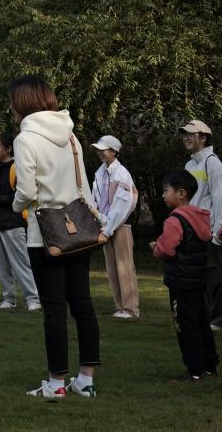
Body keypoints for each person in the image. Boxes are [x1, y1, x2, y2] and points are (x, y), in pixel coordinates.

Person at [9, 74, 104, 401]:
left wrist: (16, 205)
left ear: (20, 103)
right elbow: (84, 186)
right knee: (82, 303)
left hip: (46, 233)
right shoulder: (71, 136)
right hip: (80, 229)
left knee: (54, 309)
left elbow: (26, 190)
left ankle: (56, 382)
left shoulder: (24, 140)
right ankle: (86, 379)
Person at [149, 170, 219, 382]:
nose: (163, 195)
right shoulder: (200, 218)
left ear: (181, 193)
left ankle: (194, 370)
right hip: (197, 281)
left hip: (180, 282)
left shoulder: (174, 221)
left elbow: (167, 249)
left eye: (165, 190)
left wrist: (155, 247)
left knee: (185, 325)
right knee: (201, 323)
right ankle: (209, 365)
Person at [179, 119, 222, 329]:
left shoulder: (212, 162)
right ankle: (206, 316)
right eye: (184, 134)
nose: (186, 137)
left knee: (216, 275)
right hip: (192, 228)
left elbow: (221, 197)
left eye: (191, 134)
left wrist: (218, 229)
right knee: (200, 275)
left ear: (203, 138)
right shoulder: (189, 164)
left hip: (209, 229)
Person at [0, 134, 38, 311]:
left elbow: (18, 197)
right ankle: (9, 298)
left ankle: (33, 298)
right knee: (0, 264)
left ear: (8, 149)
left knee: (20, 263)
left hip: (13, 222)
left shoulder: (17, 167)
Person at [91, 136, 141, 319]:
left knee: (124, 267)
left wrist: (108, 228)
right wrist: (100, 222)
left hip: (119, 226)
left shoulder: (122, 174)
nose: (99, 152)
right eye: (98, 149)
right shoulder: (99, 172)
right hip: (104, 225)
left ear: (113, 151)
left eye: (103, 149)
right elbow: (94, 199)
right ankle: (120, 307)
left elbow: (121, 206)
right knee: (112, 268)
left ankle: (130, 309)